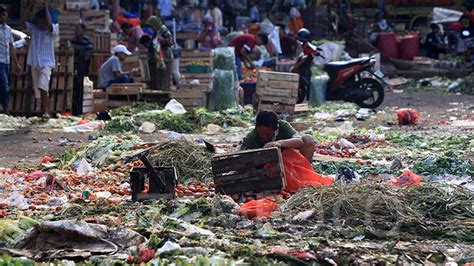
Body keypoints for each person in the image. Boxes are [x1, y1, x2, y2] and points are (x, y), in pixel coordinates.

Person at [241, 110, 315, 162]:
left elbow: (299, 141)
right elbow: (240, 155)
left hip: (288, 161)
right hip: (267, 167)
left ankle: (305, 171)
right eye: (261, 134)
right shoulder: (251, 137)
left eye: (268, 134)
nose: (264, 137)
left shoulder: (283, 126)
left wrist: (280, 143)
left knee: (308, 139)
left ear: (276, 129)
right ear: (256, 128)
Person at [25, 4, 59, 117]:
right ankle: (43, 110)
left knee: (42, 85)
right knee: (38, 90)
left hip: (47, 63)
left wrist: (46, 7)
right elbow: (22, 21)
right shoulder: (34, 29)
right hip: (35, 62)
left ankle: (47, 111)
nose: (39, 24)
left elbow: (49, 24)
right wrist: (30, 5)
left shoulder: (53, 29)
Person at [0, 5, 21, 115]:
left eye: (5, 15)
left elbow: (11, 47)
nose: (4, 17)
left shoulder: (8, 30)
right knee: (4, 85)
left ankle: (5, 108)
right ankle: (6, 110)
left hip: (6, 61)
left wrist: (17, 63)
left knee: (5, 86)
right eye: (2, 15)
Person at [145, 16, 174, 90]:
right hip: (158, 58)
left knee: (164, 79)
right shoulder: (156, 32)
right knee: (157, 79)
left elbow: (170, 42)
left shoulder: (164, 30)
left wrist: (163, 40)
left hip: (165, 58)